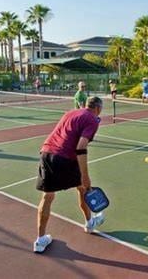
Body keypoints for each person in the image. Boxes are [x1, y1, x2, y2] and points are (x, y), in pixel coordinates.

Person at [34, 96, 105, 253]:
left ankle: (40, 241)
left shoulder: (70, 113)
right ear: (98, 109)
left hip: (46, 153)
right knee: (83, 188)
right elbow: (81, 147)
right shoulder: (93, 119)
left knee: (47, 197)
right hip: (65, 157)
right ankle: (89, 223)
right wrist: (85, 176)